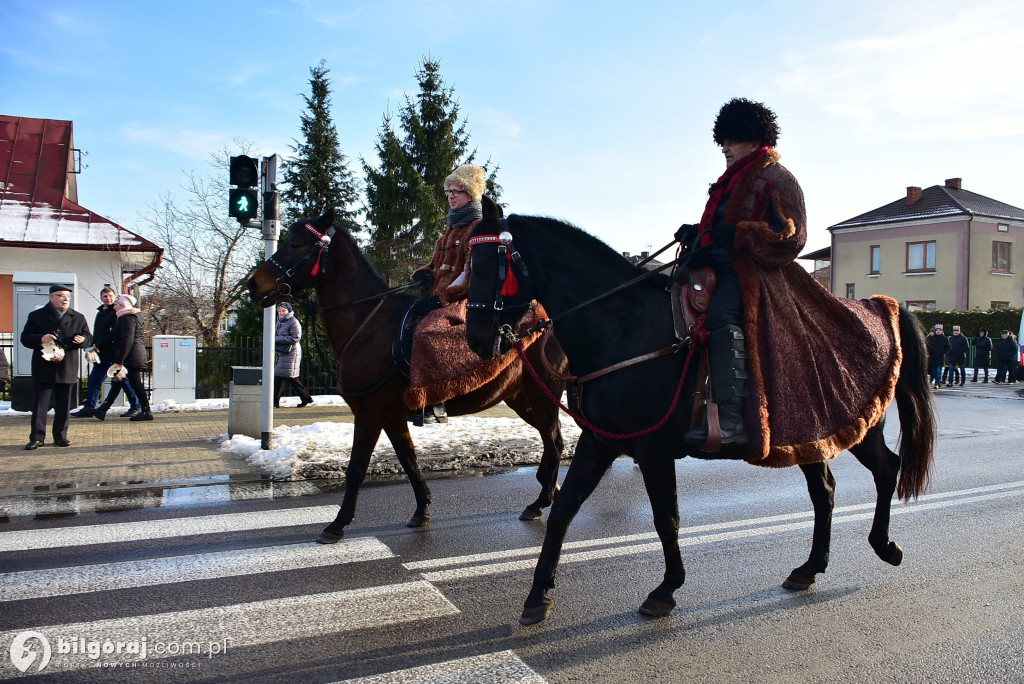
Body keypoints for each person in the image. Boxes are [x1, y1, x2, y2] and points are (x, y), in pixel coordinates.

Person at [674, 98, 803, 446]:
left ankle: (730, 421)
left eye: (732, 141)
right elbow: (716, 227)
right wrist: (696, 233)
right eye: (723, 142)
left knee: (720, 317)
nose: (725, 148)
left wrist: (742, 233)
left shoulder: (779, 178)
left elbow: (794, 237)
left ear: (753, 138)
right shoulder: (728, 181)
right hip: (714, 265)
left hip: (750, 273)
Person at [406, 163, 490, 425]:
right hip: (436, 296)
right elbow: (435, 266)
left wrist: (442, 298)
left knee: (429, 331)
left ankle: (436, 401)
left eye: (458, 191)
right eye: (449, 191)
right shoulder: (449, 230)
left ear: (471, 195)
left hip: (463, 300)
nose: (451, 195)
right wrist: (424, 274)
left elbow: (470, 275)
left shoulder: (477, 228)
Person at [19, 284, 92, 449]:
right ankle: (37, 437)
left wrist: (83, 340)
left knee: (64, 404)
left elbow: (88, 337)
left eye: (67, 296)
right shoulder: (37, 316)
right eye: (60, 295)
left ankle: (61, 436)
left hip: (67, 365)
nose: (65, 299)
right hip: (44, 365)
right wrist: (41, 338)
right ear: (51, 297)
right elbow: (25, 338)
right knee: (40, 404)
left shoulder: (78, 317)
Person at [71, 287, 141, 418]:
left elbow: (112, 334)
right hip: (101, 352)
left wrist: (99, 344)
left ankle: (136, 405)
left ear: (115, 297)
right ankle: (89, 407)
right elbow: (99, 332)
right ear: (101, 297)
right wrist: (93, 345)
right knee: (96, 380)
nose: (108, 299)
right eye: (105, 296)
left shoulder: (117, 313)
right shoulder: (101, 312)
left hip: (112, 352)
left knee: (122, 380)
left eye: (110, 296)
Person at [92, 294, 153, 421]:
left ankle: (146, 412)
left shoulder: (128, 318)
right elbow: (112, 335)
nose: (114, 307)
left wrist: (119, 362)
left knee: (135, 382)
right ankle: (103, 410)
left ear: (124, 305)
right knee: (117, 381)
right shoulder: (123, 318)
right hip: (129, 355)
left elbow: (127, 340)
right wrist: (97, 344)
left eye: (116, 304)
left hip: (132, 356)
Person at [273, 302, 313, 408]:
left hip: (291, 352)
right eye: (279, 311)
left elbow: (296, 337)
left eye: (283, 311)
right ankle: (306, 398)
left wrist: (277, 339)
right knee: (287, 377)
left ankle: (274, 402)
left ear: (288, 311)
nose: (281, 313)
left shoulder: (293, 321)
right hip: (282, 353)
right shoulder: (279, 322)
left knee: (282, 377)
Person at [926, 325, 951, 389]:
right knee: (933, 371)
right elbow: (927, 346)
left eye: (939, 330)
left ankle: (937, 382)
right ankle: (936, 381)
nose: (938, 331)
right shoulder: (931, 338)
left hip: (940, 357)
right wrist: (928, 352)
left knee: (938, 371)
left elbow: (948, 347)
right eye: (937, 330)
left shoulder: (945, 338)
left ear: (942, 331)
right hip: (932, 357)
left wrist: (944, 352)